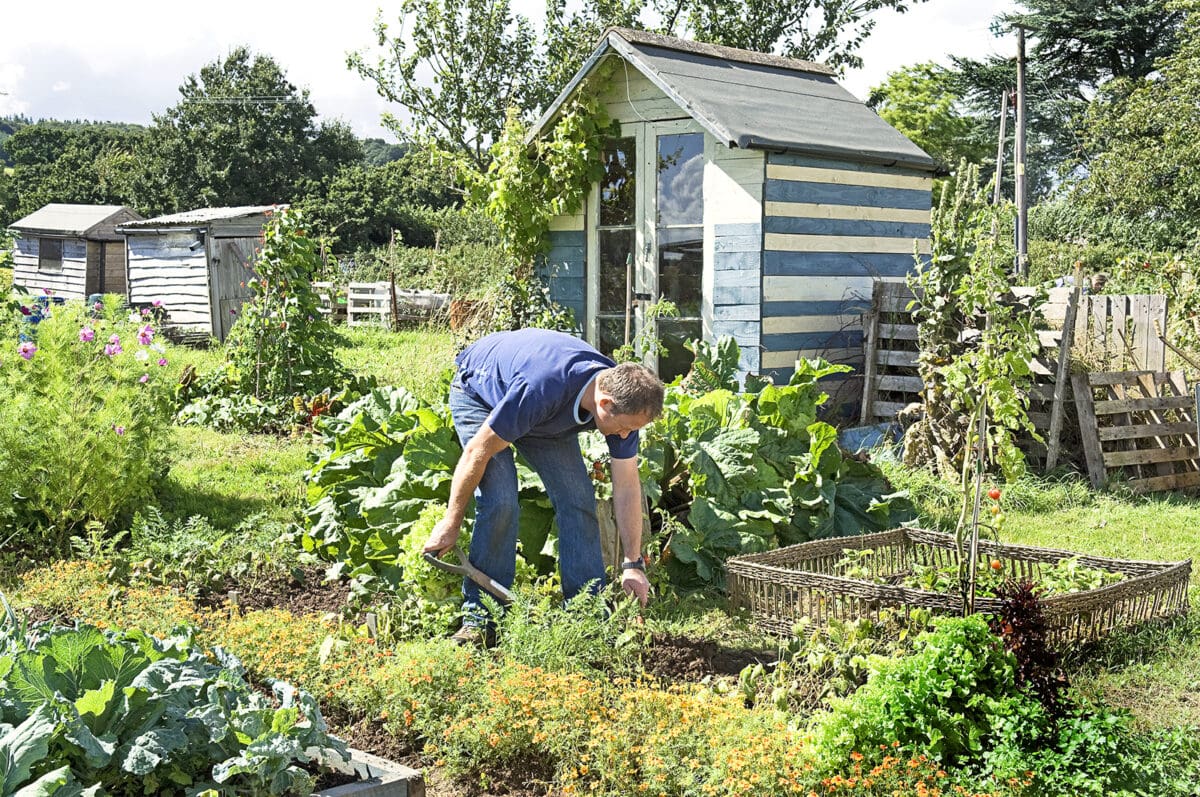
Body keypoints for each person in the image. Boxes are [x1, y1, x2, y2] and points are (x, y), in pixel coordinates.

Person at [423, 328, 664, 645]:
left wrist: (632, 563)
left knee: (578, 500)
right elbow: (477, 452)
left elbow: (628, 486)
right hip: (482, 395)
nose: (624, 436)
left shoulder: (624, 402)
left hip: (544, 415)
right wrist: (450, 522)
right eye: (624, 429)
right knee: (501, 500)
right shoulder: (543, 387)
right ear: (604, 404)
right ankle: (481, 621)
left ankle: (585, 615)